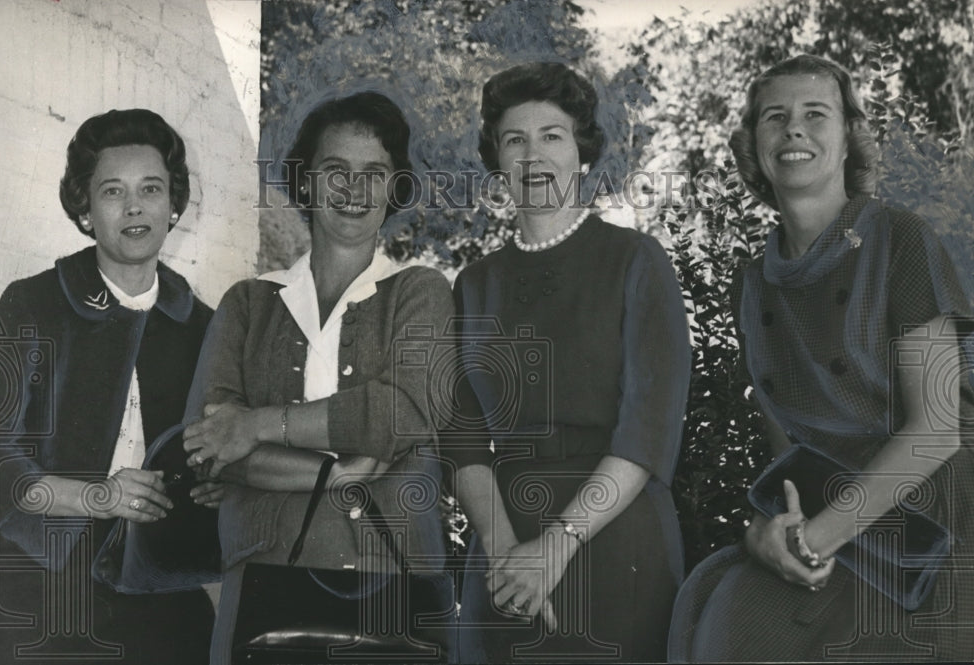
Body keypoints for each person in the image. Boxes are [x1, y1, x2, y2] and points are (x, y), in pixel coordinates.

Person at [668, 54, 974, 661]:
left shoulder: (900, 239)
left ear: (848, 138)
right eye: (775, 117)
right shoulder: (751, 284)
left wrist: (816, 540)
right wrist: (770, 535)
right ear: (754, 146)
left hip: (933, 518)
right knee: (729, 622)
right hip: (825, 513)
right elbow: (788, 451)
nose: (795, 130)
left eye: (816, 114)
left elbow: (936, 432)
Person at [181, 91, 455, 664]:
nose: (354, 190)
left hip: (394, 583)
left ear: (393, 188)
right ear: (305, 183)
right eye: (335, 171)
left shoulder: (420, 293)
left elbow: (401, 415)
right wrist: (338, 471)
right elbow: (210, 448)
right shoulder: (249, 305)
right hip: (263, 578)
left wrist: (258, 425)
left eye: (374, 174)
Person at [445, 61, 691, 662]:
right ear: (497, 161)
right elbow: (463, 439)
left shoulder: (635, 259)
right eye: (514, 139)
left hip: (614, 539)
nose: (534, 155)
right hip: (503, 549)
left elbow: (648, 428)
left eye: (551, 136)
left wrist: (553, 550)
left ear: (580, 151)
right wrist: (507, 557)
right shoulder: (474, 284)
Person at [0, 109, 218, 664]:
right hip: (37, 579)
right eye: (113, 191)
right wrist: (99, 496)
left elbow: (207, 457)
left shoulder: (203, 324)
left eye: (151, 189)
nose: (135, 207)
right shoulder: (32, 303)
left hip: (155, 580)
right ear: (85, 211)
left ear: (173, 205)